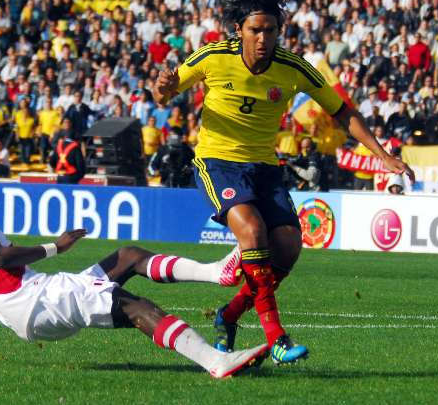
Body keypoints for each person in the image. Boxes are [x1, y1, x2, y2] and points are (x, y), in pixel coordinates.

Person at [153, 0, 413, 365]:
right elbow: (164, 92)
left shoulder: (292, 68)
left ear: (279, 31)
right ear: (239, 30)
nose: (262, 38)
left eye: (270, 30)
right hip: (218, 162)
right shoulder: (212, 56)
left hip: (264, 166)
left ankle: (227, 317)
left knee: (289, 246)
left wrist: (382, 155)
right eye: (255, 30)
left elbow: (342, 112)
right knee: (253, 231)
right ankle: (276, 338)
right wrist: (161, 87)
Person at [0, 175, 268, 379]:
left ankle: (216, 273)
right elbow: (0, 257)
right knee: (135, 306)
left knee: (128, 257)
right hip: (39, 300)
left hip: (35, 311)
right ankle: (216, 361)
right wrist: (55, 247)